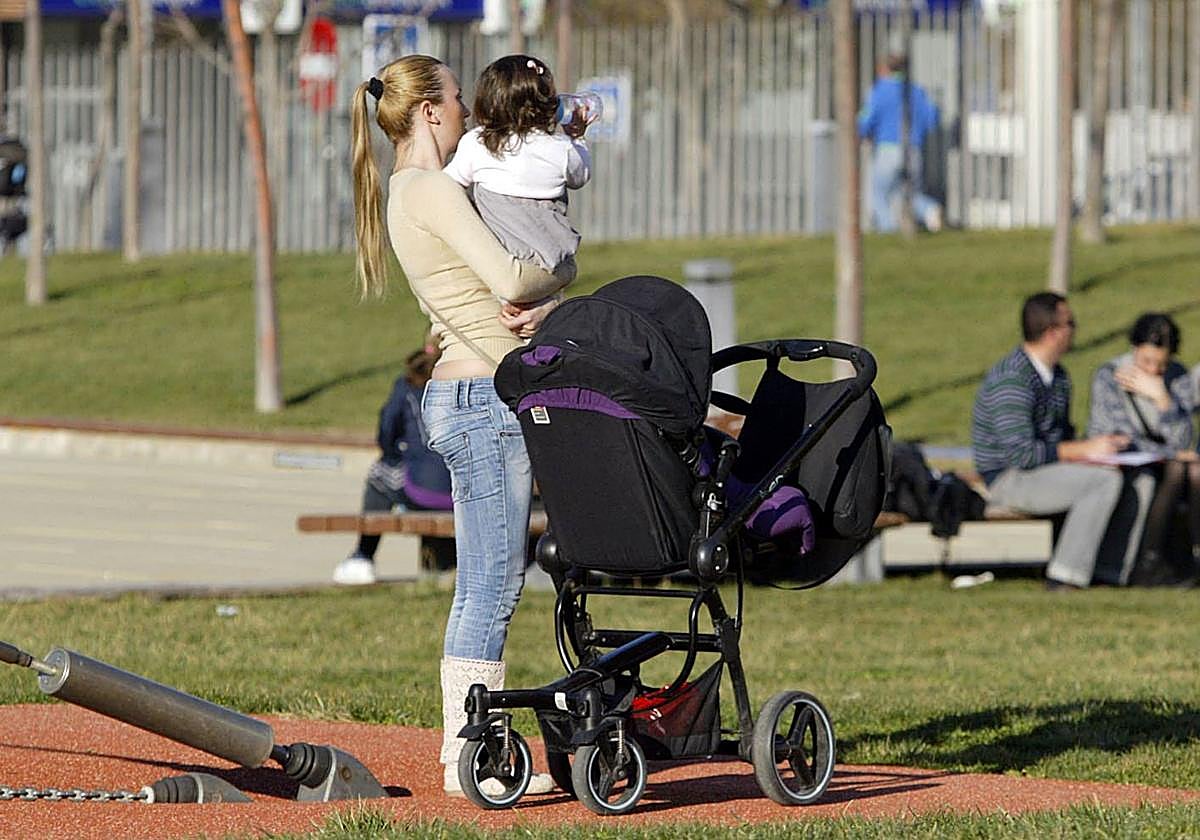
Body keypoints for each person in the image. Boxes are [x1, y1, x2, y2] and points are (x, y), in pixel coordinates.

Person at [350, 55, 564, 796]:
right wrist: (565, 266)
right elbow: (512, 277)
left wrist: (542, 308)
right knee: (491, 585)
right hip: (483, 402)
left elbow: (469, 298)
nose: (472, 111)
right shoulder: (433, 188)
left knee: (485, 581)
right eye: (457, 97)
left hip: (469, 392)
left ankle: (468, 750)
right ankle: (471, 754)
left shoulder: (410, 191)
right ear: (432, 112)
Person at [971, 292, 1129, 590]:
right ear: (1052, 332)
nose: (1076, 328)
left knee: (1115, 473)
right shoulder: (1012, 379)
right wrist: (1084, 450)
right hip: (1008, 480)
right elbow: (1021, 455)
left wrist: (1100, 450)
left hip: (1042, 473)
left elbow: (1062, 439)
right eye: (1071, 322)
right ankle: (1065, 577)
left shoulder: (1058, 377)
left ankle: (1110, 571)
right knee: (1102, 481)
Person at [443, 54, 591, 284]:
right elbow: (580, 176)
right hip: (549, 257)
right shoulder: (562, 150)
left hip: (497, 255)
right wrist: (577, 138)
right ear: (550, 105)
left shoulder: (476, 142)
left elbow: (449, 185)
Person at [1088, 313, 1199, 586]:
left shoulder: (1176, 377)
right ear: (1134, 349)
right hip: (1121, 462)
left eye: (1161, 365)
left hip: (1167, 467)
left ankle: (1185, 558)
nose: (1152, 371)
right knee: (1169, 470)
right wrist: (1170, 452)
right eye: (1146, 361)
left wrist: (1162, 398)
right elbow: (1120, 437)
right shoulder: (1109, 377)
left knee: (1190, 469)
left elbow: (1184, 439)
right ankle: (1147, 562)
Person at [332, 342, 453, 586]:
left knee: (380, 474)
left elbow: (386, 431)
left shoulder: (405, 388)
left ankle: (363, 556)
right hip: (462, 492)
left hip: (423, 492)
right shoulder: (460, 384)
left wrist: (395, 455)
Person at [857, 53, 943, 233]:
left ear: (884, 69)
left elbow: (865, 122)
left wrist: (861, 134)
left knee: (878, 194)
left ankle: (888, 230)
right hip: (914, 150)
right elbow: (932, 118)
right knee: (907, 193)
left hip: (887, 150)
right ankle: (929, 209)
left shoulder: (879, 91)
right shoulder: (916, 91)